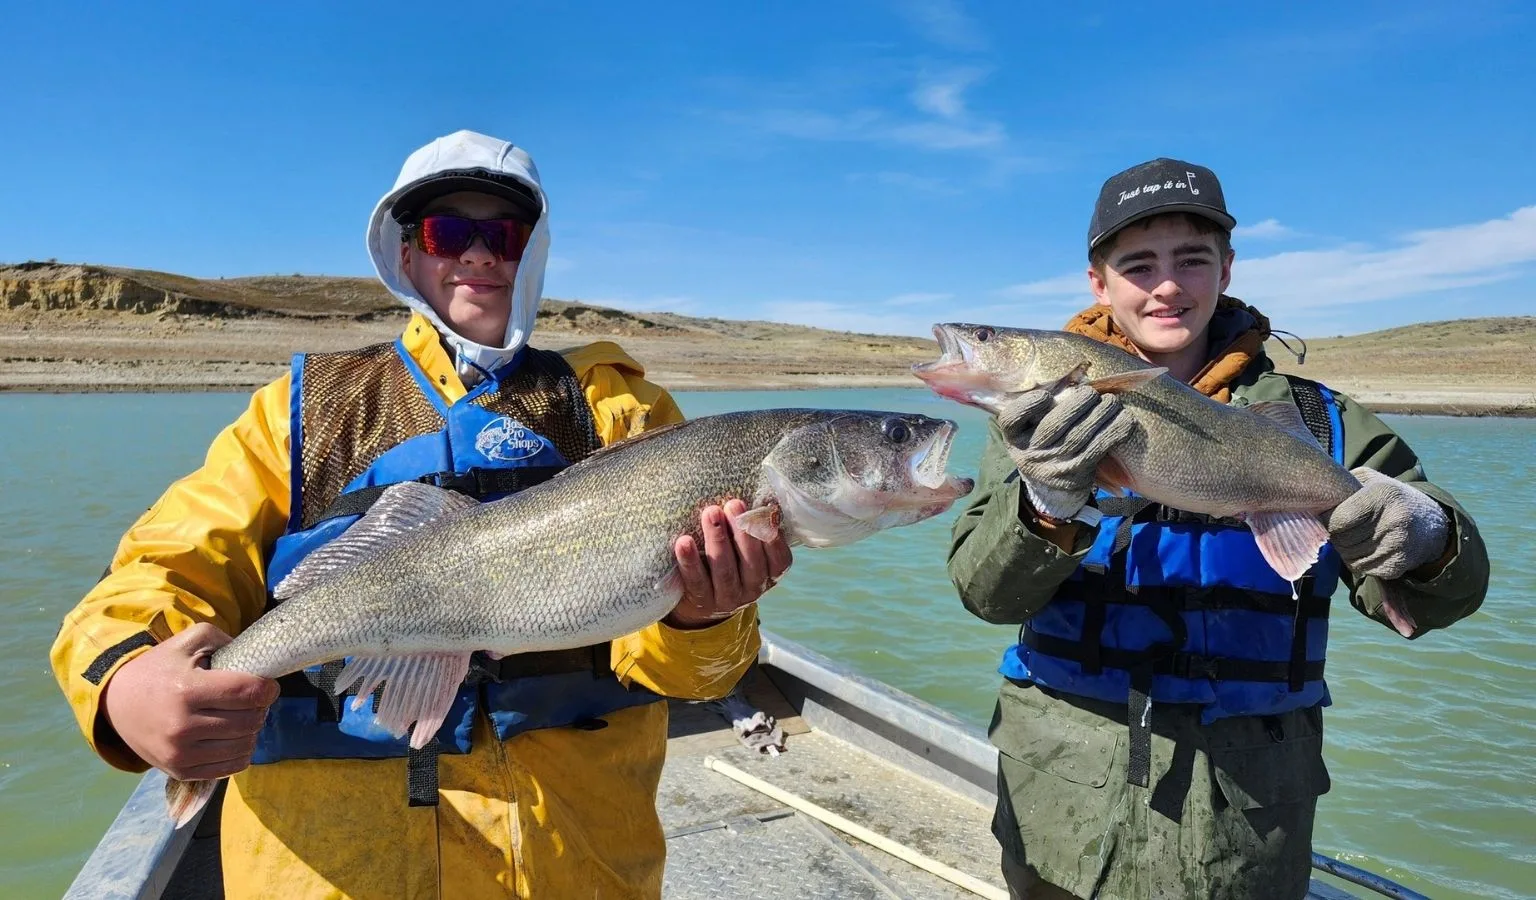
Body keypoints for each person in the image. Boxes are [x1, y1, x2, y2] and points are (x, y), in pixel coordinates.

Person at [50, 129, 791, 899]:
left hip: (581, 865)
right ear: (405, 253)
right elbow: (162, 565)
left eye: (504, 234)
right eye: (447, 232)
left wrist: (705, 619)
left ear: (534, 250)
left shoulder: (623, 411)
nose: (478, 255)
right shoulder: (298, 412)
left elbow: (699, 677)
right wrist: (125, 682)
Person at [948, 158, 1489, 900]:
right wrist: (1046, 502)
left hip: (1246, 826)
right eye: (1138, 265)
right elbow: (985, 594)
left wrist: (1427, 539)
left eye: (1192, 260)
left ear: (1226, 269)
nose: (1167, 286)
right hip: (1063, 812)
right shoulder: (1032, 426)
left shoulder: (1320, 419)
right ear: (1098, 283)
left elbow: (1445, 598)